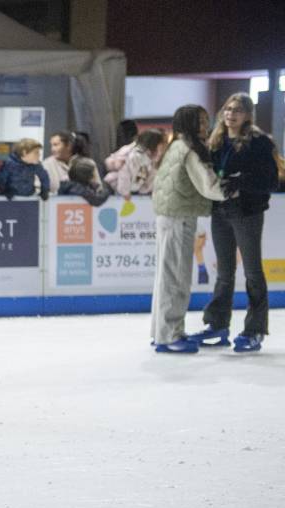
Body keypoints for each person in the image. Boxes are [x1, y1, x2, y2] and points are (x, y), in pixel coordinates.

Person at [188, 92, 278, 353]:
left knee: (252, 271)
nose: (231, 114)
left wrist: (242, 181)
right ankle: (217, 324)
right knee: (225, 272)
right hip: (221, 212)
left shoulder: (259, 142)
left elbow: (270, 180)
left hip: (247, 212)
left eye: (237, 110)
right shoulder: (216, 141)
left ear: (248, 114)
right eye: (228, 109)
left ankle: (255, 329)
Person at [149, 105, 228, 354]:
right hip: (179, 218)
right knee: (176, 278)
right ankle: (170, 335)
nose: (206, 127)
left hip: (170, 216)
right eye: (202, 122)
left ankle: (161, 332)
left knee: (166, 277)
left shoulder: (175, 145)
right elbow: (209, 186)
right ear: (191, 124)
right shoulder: (189, 151)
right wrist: (234, 188)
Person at [105, 129, 166, 200]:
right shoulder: (135, 156)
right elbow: (124, 173)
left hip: (131, 190)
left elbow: (148, 177)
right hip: (118, 191)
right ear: (153, 143)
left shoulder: (149, 158)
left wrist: (148, 190)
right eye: (160, 144)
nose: (162, 147)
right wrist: (125, 193)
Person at [42, 130, 74, 194]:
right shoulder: (45, 165)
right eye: (52, 145)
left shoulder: (84, 163)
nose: (52, 149)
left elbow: (97, 190)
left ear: (68, 146)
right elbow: (39, 192)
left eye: (56, 145)